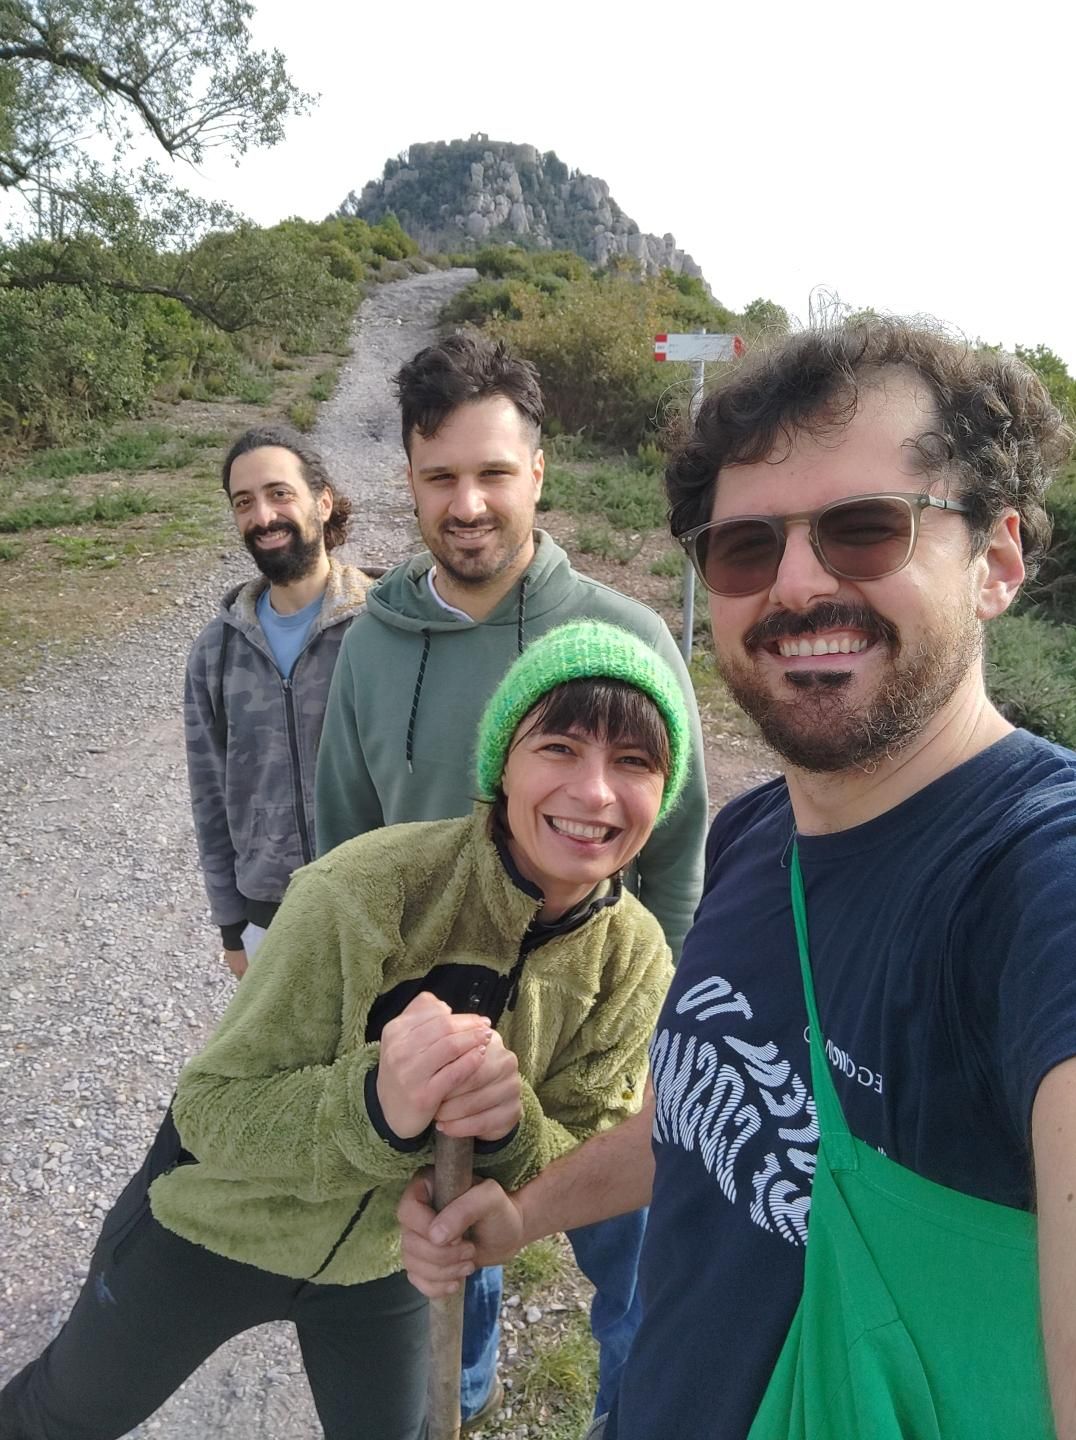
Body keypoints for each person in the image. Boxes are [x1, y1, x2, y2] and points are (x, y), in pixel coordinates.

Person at [398, 321, 1076, 1440]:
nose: (797, 583)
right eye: (745, 548)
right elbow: (695, 1127)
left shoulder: (1033, 879)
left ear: (995, 561)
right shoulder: (757, 837)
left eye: (865, 530)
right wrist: (514, 1217)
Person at [0, 620, 688, 1440]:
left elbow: (581, 1155)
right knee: (63, 1415)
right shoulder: (365, 890)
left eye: (635, 762)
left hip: (386, 1268)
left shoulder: (636, 958)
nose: (596, 793)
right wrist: (374, 1103)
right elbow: (212, 1109)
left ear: (666, 791)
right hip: (218, 1226)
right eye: (561, 748)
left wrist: (509, 1129)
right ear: (503, 763)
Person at [314, 332, 709, 1424]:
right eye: (441, 476)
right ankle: (469, 1399)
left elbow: (676, 853)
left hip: (595, 1039)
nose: (469, 502)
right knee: (454, 1272)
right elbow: (341, 844)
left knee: (638, 1289)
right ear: (408, 479)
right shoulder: (371, 648)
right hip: (440, 1041)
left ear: (538, 471)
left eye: (494, 472)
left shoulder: (622, 638)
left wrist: (645, 1030)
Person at [185, 425, 369, 979]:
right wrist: (231, 927)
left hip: (380, 907)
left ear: (322, 501)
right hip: (270, 919)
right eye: (245, 503)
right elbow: (211, 799)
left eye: (279, 493)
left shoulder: (383, 627)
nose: (263, 516)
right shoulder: (215, 652)